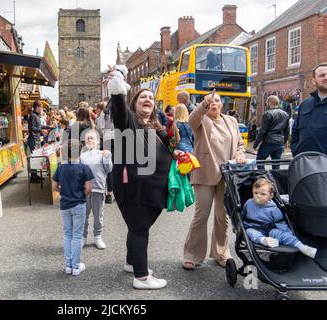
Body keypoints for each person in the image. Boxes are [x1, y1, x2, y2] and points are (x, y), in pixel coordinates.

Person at [107, 65, 180, 290]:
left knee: (138, 227)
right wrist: (118, 82)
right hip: (135, 189)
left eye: (150, 97)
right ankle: (141, 277)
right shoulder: (128, 121)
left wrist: (175, 152)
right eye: (142, 97)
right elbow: (118, 107)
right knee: (139, 229)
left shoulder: (155, 126)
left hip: (151, 189)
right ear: (134, 103)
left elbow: (166, 147)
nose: (147, 99)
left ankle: (132, 262)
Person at [182, 90, 246, 270]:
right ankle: (192, 254)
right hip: (205, 173)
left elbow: (240, 144)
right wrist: (203, 105)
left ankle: (221, 253)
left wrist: (240, 155)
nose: (214, 103)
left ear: (222, 104)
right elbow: (191, 119)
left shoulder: (231, 121)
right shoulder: (202, 120)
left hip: (228, 174)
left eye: (217, 100)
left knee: (223, 216)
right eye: (211, 101)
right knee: (201, 215)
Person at [242, 179, 317, 258]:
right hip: (253, 228)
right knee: (250, 232)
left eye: (263, 194)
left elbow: (281, 223)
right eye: (255, 193)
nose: (258, 196)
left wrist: (287, 234)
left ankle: (301, 246)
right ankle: (264, 240)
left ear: (270, 196)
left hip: (270, 230)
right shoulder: (249, 203)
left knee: (278, 233)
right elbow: (243, 215)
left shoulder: (274, 209)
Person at [52, 139, 94, 276]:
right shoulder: (84, 168)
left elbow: (54, 187)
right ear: (80, 151)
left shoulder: (60, 167)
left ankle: (68, 265)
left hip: (65, 204)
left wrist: (64, 192)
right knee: (77, 235)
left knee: (67, 235)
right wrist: (81, 194)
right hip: (79, 203)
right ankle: (76, 266)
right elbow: (89, 188)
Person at [80, 130, 113, 249]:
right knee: (83, 215)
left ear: (98, 141)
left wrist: (107, 157)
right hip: (84, 190)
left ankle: (97, 237)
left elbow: (109, 169)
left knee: (98, 216)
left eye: (92, 138)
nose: (90, 140)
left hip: (98, 189)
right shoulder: (82, 156)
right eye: (88, 138)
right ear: (85, 141)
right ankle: (83, 237)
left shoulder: (102, 154)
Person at [291, 63, 327, 156]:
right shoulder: (305, 104)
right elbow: (295, 131)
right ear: (314, 81)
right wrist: (296, 151)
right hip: (305, 163)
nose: (326, 77)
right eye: (322, 75)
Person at [253, 96, 289, 169]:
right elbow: (287, 130)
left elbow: (262, 131)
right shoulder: (285, 114)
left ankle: (263, 177)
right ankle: (275, 179)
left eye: (266, 102)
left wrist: (255, 144)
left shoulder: (267, 114)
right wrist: (284, 142)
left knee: (260, 161)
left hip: (268, 142)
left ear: (269, 103)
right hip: (279, 142)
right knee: (276, 165)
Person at [95, 101, 115, 204]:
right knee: (118, 165)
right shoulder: (121, 110)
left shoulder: (104, 112)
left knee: (108, 167)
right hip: (120, 139)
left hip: (107, 140)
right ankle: (119, 191)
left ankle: (109, 194)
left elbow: (99, 128)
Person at [27, 101, 50, 182]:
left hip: (35, 139)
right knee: (34, 158)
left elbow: (39, 126)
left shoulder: (35, 116)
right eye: (41, 107)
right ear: (37, 107)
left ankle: (35, 175)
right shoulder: (33, 116)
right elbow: (31, 128)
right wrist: (41, 130)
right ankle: (33, 177)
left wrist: (49, 127)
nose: (42, 109)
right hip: (33, 139)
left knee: (36, 158)